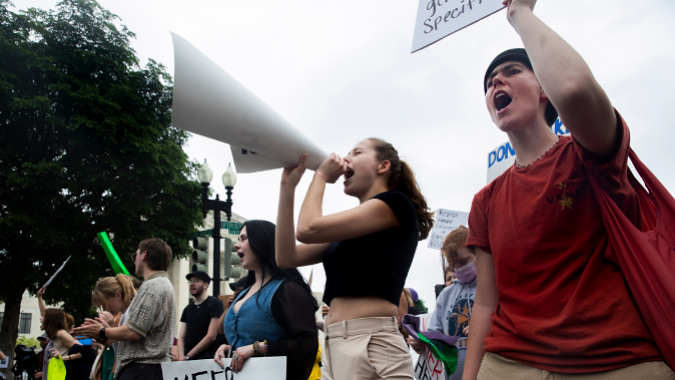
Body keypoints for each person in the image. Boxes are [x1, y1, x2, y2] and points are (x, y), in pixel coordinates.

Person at [463, 1, 675, 379]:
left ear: (544, 88)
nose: (496, 82)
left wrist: (519, 14)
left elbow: (574, 89)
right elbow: (485, 303)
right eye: (490, 81)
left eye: (512, 71)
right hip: (508, 364)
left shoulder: (588, 153)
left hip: (615, 361)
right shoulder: (485, 200)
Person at [276, 139, 434, 380]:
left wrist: (320, 177)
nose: (346, 158)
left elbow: (307, 229)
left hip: (372, 343)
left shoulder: (395, 204)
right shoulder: (347, 232)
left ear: (383, 166)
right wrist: (287, 188)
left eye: (357, 152)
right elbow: (286, 257)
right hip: (334, 344)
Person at [213, 220, 318, 380]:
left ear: (262, 242)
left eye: (243, 238)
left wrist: (257, 348)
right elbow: (243, 340)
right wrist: (229, 349)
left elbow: (307, 343)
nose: (236, 245)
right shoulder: (244, 291)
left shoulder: (288, 288)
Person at [72, 238, 176, 380]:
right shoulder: (162, 285)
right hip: (147, 369)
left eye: (135, 255)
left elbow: (134, 332)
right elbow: (132, 339)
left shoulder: (152, 286)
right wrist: (106, 333)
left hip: (142, 369)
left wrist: (102, 331)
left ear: (144, 255)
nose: (134, 260)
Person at [409, 226, 475, 380]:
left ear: (479, 253)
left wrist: (486, 329)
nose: (458, 268)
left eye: (463, 261)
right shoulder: (446, 295)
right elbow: (435, 335)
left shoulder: (492, 287)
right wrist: (422, 344)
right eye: (452, 265)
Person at [90, 274, 139, 380]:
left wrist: (104, 330)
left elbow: (129, 348)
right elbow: (122, 346)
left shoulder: (131, 313)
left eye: (105, 303)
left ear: (117, 295)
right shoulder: (124, 314)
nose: (105, 308)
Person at [177, 271, 224, 361]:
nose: (191, 284)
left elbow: (211, 336)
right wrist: (181, 358)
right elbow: (181, 338)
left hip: (207, 360)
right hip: (188, 361)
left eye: (196, 281)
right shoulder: (188, 309)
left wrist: (188, 356)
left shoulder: (215, 303)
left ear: (205, 285)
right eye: (190, 281)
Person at [43, 308, 93, 380]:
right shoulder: (54, 334)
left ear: (50, 320)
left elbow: (87, 352)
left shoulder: (61, 334)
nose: (41, 318)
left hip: (71, 374)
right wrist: (39, 298)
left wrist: (63, 358)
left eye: (44, 316)